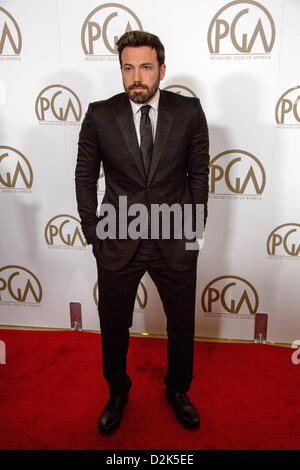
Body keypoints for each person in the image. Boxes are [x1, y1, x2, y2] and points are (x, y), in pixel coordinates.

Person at [75, 31, 209, 434]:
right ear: (121, 71)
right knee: (114, 323)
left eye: (146, 67)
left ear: (161, 70)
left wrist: (193, 233)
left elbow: (198, 174)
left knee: (181, 323)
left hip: (174, 238)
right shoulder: (100, 114)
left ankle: (178, 390)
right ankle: (117, 392)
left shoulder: (188, 112)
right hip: (118, 237)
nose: (137, 77)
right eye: (128, 67)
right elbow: (85, 176)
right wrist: (93, 233)